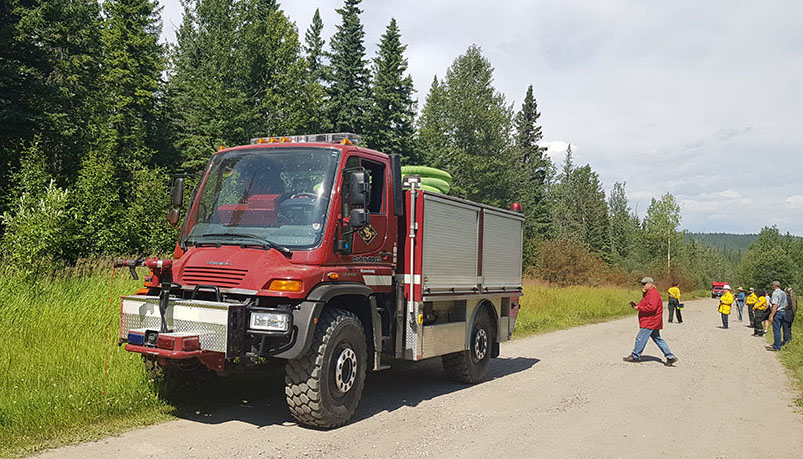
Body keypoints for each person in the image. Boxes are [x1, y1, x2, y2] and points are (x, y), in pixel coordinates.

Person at [623, 277, 678, 366]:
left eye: (644, 284)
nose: (643, 286)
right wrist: (637, 306)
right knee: (657, 339)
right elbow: (645, 303)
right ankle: (670, 357)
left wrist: (639, 308)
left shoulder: (653, 294)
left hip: (650, 321)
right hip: (653, 320)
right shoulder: (649, 293)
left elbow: (652, 307)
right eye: (642, 284)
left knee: (640, 338)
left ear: (650, 284)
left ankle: (635, 355)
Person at [767, 281, 789, 351]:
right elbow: (786, 305)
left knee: (776, 330)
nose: (772, 286)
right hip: (783, 312)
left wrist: (771, 315)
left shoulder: (775, 293)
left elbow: (775, 305)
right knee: (781, 329)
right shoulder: (783, 293)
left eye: (772, 285)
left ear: (775, 286)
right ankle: (779, 343)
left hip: (777, 312)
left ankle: (777, 346)